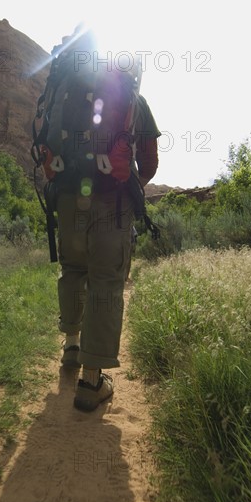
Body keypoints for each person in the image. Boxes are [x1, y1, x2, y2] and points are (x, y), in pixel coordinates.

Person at [39, 28, 160, 411]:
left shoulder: (63, 94)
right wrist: (128, 185)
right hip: (112, 204)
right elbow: (151, 162)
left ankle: (71, 347)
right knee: (106, 281)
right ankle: (92, 382)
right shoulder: (133, 99)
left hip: (68, 200)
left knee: (74, 270)